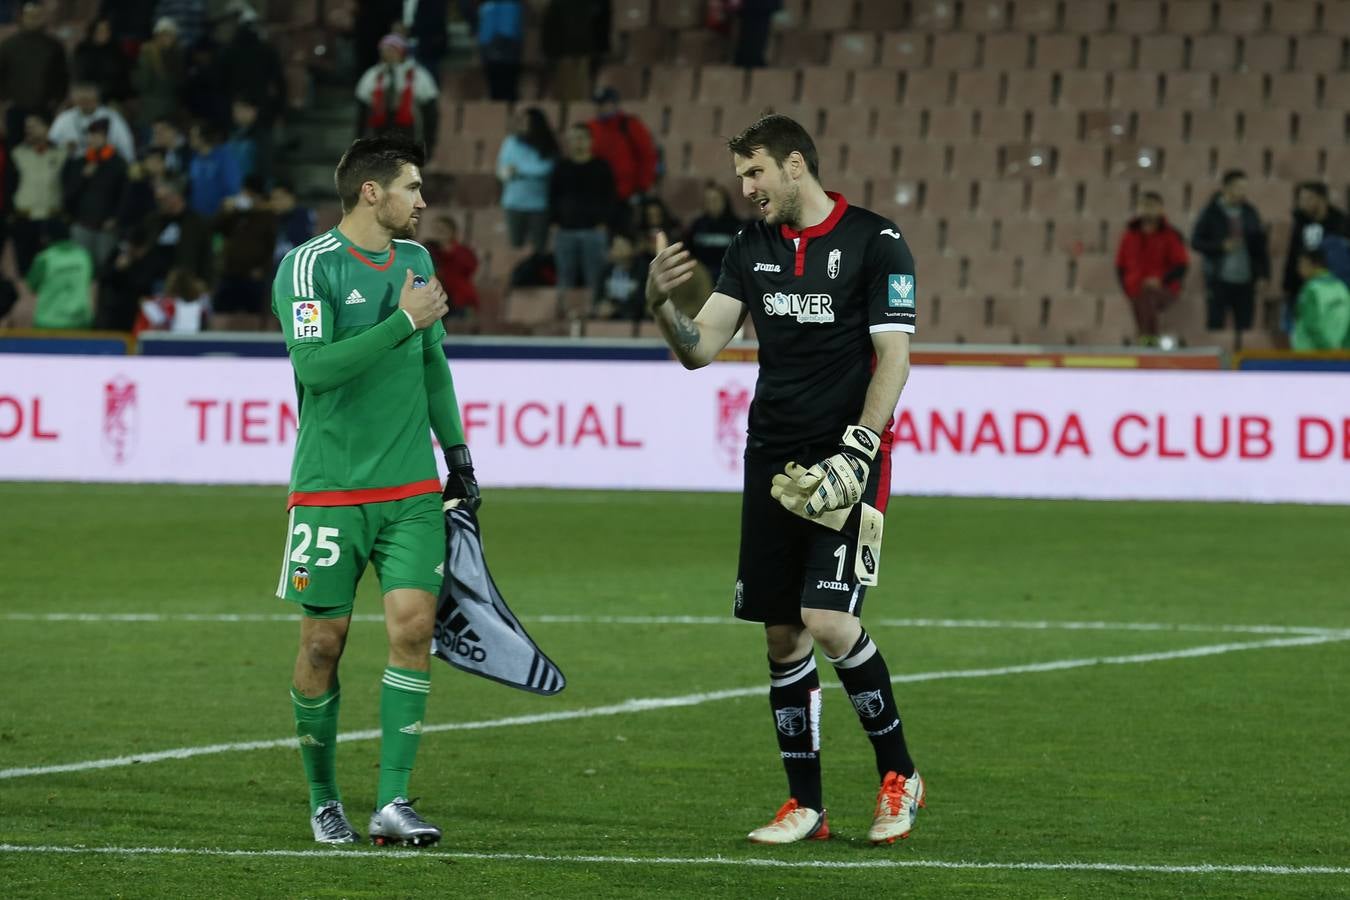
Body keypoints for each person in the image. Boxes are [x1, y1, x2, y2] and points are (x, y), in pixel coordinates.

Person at [644, 114, 923, 845]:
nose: (746, 188)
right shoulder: (750, 246)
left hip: (846, 457)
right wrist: (660, 308)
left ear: (796, 165)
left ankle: (900, 775)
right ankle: (807, 806)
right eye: (741, 176)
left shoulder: (876, 240)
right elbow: (702, 346)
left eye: (755, 172)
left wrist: (861, 447)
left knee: (829, 620)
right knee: (781, 635)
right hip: (771, 461)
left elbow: (893, 355)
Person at [272, 133, 477, 848]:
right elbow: (317, 369)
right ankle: (324, 799)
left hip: (411, 490)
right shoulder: (307, 268)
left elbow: (433, 367)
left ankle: (393, 800)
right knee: (323, 643)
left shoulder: (417, 261)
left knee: (414, 629)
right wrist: (400, 321)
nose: (422, 202)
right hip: (330, 489)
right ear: (372, 192)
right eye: (413, 188)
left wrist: (457, 454)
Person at [1190, 169, 1270, 338]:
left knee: (1245, 325)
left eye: (1244, 188)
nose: (1242, 192)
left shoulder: (1250, 212)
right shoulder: (1211, 212)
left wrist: (1263, 274)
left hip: (1246, 278)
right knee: (1215, 324)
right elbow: (1196, 242)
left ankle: (1241, 361)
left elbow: (1260, 246)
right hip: (1218, 278)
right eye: (1238, 188)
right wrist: (1220, 246)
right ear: (1226, 188)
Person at [1114, 191, 1189, 344]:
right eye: (1144, 205)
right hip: (1134, 287)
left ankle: (1148, 338)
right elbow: (1120, 266)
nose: (1148, 209)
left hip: (1164, 288)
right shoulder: (1129, 235)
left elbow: (1181, 265)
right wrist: (1126, 287)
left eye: (1152, 206)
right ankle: (1147, 339)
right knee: (1141, 294)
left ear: (1161, 209)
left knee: (1147, 295)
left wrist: (1161, 280)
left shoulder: (1170, 235)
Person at [550, 123, 615, 297]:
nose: (576, 143)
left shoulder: (601, 167)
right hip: (565, 231)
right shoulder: (560, 167)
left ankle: (594, 315)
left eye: (580, 138)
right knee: (564, 277)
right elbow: (552, 197)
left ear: (590, 141)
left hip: (593, 231)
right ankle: (563, 313)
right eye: (572, 139)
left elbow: (609, 197)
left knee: (595, 278)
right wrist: (554, 222)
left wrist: (603, 222)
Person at [60, 118, 128, 270]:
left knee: (105, 268)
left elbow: (124, 195)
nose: (93, 139)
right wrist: (83, 177)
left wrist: (116, 218)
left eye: (98, 135)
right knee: (79, 268)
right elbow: (68, 194)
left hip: (106, 227)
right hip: (82, 224)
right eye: (91, 135)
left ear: (106, 137)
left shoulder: (118, 163)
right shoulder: (80, 162)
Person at [0, 2, 69, 147]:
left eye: (38, 16)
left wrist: (56, 102)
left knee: (44, 149)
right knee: (15, 152)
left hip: (44, 109)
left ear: (43, 18)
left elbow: (62, 78)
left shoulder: (54, 46)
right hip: (15, 110)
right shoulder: (8, 46)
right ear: (22, 17)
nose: (34, 19)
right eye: (30, 16)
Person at [213, 174, 277, 330]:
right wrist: (226, 210)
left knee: (254, 315)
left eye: (250, 194)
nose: (245, 197)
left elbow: (272, 247)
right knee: (220, 312)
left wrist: (262, 269)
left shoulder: (268, 216)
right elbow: (215, 228)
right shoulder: (235, 213)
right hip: (229, 273)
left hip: (253, 276)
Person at [1282, 181, 1350, 326]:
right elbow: (1293, 255)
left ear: (1321, 200)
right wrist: (1288, 285)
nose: (1302, 204)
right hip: (1302, 290)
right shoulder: (1300, 223)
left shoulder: (1342, 225)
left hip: (1333, 292)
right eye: (1300, 199)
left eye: (1307, 199)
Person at [355, 33, 439, 148]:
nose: (388, 54)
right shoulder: (374, 74)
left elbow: (430, 111)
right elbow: (363, 110)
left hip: (408, 131)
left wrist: (428, 143)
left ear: (402, 52)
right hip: (379, 131)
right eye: (384, 50)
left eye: (392, 50)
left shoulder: (418, 75)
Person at [496, 107, 558, 254]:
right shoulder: (510, 142)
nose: (522, 125)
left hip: (539, 205)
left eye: (527, 122)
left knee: (539, 248)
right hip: (513, 203)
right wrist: (512, 172)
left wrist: (518, 170)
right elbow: (502, 170)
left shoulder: (547, 145)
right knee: (515, 246)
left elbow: (544, 169)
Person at [10, 111, 64, 275]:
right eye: (27, 127)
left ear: (47, 128)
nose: (29, 130)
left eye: (34, 126)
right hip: (24, 218)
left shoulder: (61, 154)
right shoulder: (17, 153)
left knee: (52, 269)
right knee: (25, 269)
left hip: (51, 218)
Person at [587, 87, 658, 207]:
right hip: (596, 194)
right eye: (598, 104)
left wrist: (641, 188)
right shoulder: (591, 127)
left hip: (625, 194)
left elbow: (647, 157)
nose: (599, 108)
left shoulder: (630, 125)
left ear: (614, 104)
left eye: (603, 103)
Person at [28, 220, 94, 329]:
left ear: (46, 238)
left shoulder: (44, 259)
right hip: (80, 322)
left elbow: (32, 287)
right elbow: (90, 281)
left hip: (48, 323)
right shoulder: (85, 256)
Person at [48, 82, 137, 163]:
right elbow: (50, 148)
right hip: (72, 169)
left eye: (88, 99)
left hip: (105, 167)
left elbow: (126, 149)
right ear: (74, 99)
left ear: (97, 97)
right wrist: (65, 148)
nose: (85, 102)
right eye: (81, 99)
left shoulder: (112, 117)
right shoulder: (64, 119)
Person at [133, 18, 188, 134]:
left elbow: (180, 83)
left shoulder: (178, 56)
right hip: (150, 113)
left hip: (170, 112)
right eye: (164, 35)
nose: (166, 39)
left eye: (170, 35)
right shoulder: (147, 55)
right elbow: (142, 83)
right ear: (157, 36)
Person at [1291, 247, 1350, 351]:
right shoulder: (1342, 289)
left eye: (1301, 264)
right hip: (1338, 355)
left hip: (1309, 355)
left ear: (1313, 264)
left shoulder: (1311, 290)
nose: (1298, 269)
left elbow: (1311, 325)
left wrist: (1328, 350)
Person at [686, 181, 744, 281]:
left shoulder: (736, 226)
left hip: (728, 277)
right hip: (701, 278)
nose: (711, 204)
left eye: (715, 200)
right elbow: (689, 253)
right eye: (708, 200)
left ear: (724, 201)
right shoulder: (697, 225)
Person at [186, 121, 242, 217]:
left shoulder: (224, 157)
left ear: (204, 137)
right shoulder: (194, 158)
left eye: (193, 136)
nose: (190, 139)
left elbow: (232, 186)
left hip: (218, 216)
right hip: (197, 215)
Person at [426, 215, 478, 317]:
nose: (439, 233)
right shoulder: (431, 251)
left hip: (460, 299)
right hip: (439, 299)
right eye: (436, 230)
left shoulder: (463, 251)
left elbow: (470, 267)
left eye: (443, 230)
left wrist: (447, 251)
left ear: (452, 232)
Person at [73, 18, 132, 105]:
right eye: (101, 30)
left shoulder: (115, 51)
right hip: (88, 97)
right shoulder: (83, 51)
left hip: (114, 98)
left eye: (107, 30)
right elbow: (80, 77)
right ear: (93, 32)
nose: (104, 33)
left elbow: (122, 78)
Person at [593, 231, 650, 321]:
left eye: (621, 245)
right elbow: (598, 297)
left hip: (634, 318)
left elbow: (642, 300)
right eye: (615, 245)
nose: (616, 248)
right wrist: (601, 306)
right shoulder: (605, 271)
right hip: (607, 318)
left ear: (633, 248)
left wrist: (616, 309)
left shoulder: (643, 271)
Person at [476, 0, 523, 102]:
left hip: (500, 52)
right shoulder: (493, 6)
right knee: (502, 90)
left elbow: (506, 31)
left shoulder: (498, 6)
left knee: (501, 90)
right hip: (500, 52)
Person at [734, 0, 783, 68]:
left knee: (758, 34)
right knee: (753, 33)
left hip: (757, 7)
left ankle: (751, 58)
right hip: (755, 7)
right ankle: (749, 59)